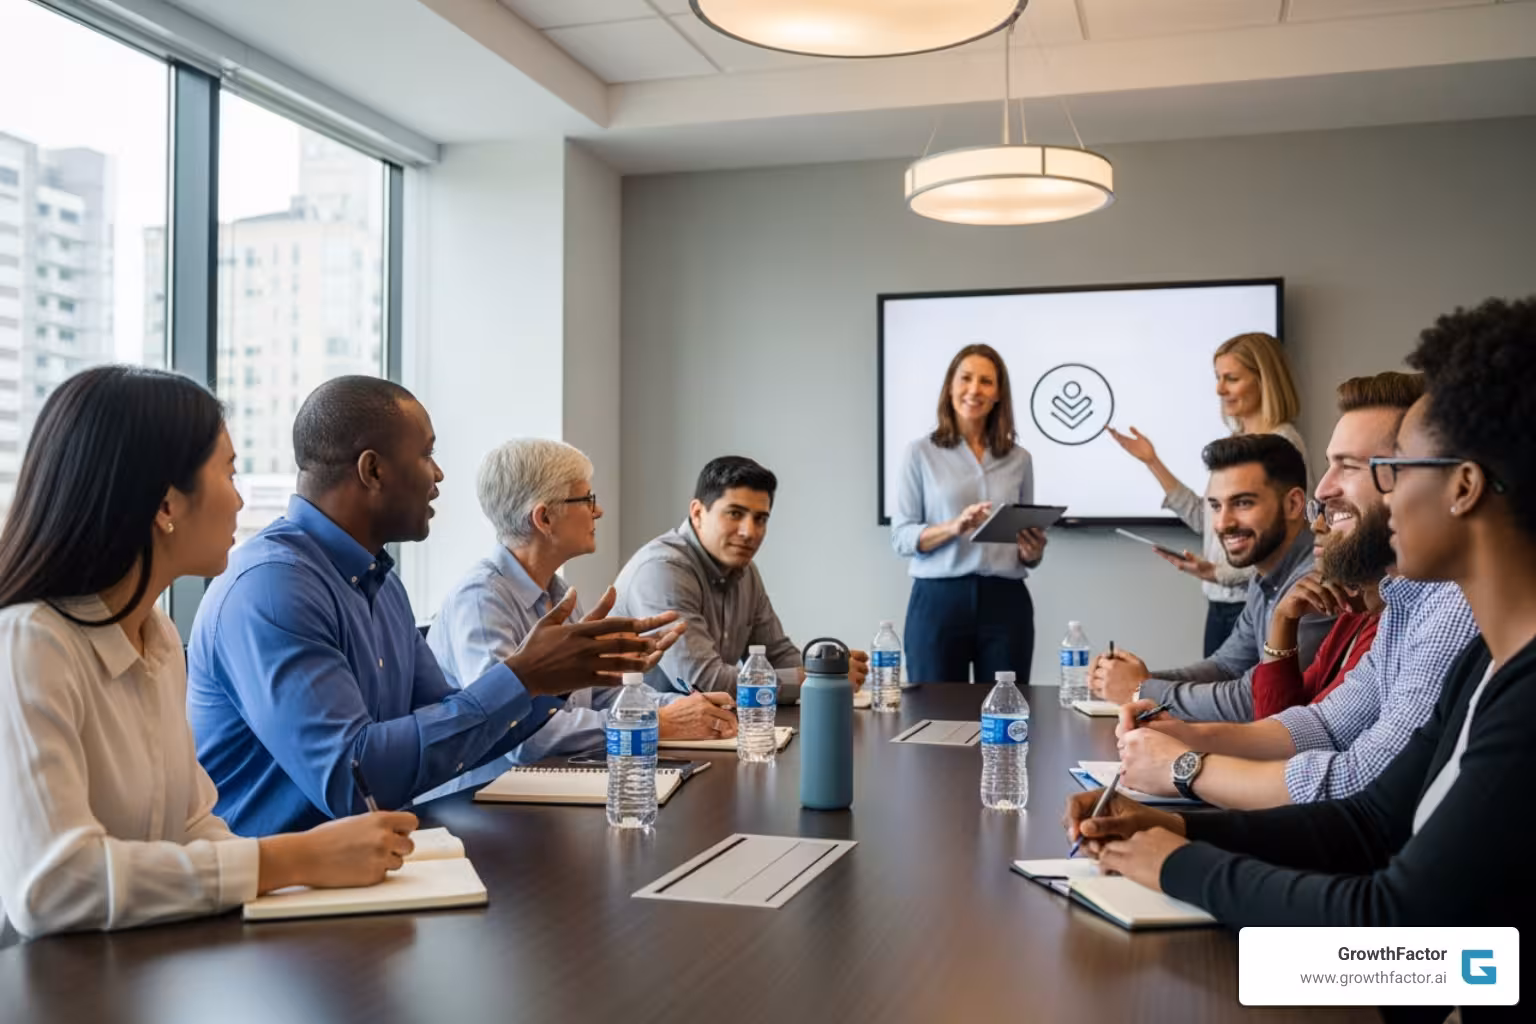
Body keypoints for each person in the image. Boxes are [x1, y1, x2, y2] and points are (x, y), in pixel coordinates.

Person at [1065, 299, 1536, 991]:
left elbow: (1398, 937)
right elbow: (1371, 822)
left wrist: (1173, 862)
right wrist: (1169, 828)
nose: (1341, 493)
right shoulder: (1482, 664)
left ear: (1463, 487)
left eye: (1396, 468)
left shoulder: (1522, 695)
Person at [0, 367, 418, 940]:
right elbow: (55, 885)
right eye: (229, 471)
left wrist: (313, 874)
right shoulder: (30, 644)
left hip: (141, 970)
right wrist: (291, 860)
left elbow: (195, 824)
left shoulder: (161, 637)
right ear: (167, 503)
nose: (241, 499)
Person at [188, 377, 685, 837]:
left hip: (372, 867)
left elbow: (458, 727)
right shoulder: (274, 586)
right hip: (276, 898)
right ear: (373, 470)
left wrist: (556, 678)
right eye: (427, 454)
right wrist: (522, 678)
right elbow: (352, 782)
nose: (440, 473)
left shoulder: (380, 582)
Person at [1113, 372, 1477, 809]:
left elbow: (1364, 783)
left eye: (1351, 466)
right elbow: (1323, 724)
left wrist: (1186, 766)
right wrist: (1185, 734)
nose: (1321, 493)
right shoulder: (1406, 599)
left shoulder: (1453, 605)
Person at [420, 440, 736, 799]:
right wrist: (654, 723)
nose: (598, 511)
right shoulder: (479, 599)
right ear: (544, 518)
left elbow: (602, 694)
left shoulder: (558, 591)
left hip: (551, 791)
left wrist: (681, 708)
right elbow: (518, 734)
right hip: (483, 807)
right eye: (586, 500)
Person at [1090, 434, 1331, 720]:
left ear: (1293, 505)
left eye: (1242, 503)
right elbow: (1227, 666)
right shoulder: (1265, 575)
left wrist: (1143, 689)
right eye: (1216, 506)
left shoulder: (1315, 582)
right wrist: (1136, 679)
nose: (1223, 523)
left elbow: (1252, 701)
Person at [1108, 332, 1307, 657]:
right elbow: (1207, 520)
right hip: (1220, 604)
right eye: (1218, 378)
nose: (1219, 389)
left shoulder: (1283, 443)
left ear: (1264, 380)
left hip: (1254, 602)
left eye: (1231, 378)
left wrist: (1218, 572)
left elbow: (1289, 538)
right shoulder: (1235, 442)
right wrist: (1152, 461)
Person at [612, 456, 868, 701]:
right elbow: (706, 682)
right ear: (698, 513)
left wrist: (826, 666)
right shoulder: (662, 570)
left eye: (760, 519)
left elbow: (777, 654)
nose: (749, 532)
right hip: (634, 735)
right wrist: (814, 679)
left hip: (704, 733)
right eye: (735, 514)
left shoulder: (745, 570)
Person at [890, 344, 1048, 683]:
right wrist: (954, 526)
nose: (974, 389)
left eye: (986, 382)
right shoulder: (920, 453)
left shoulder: (1020, 459)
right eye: (966, 378)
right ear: (950, 386)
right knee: (933, 714)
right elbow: (901, 537)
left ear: (998, 394)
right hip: (938, 601)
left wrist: (1032, 552)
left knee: (1007, 712)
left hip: (1006, 602)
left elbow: (1025, 543)